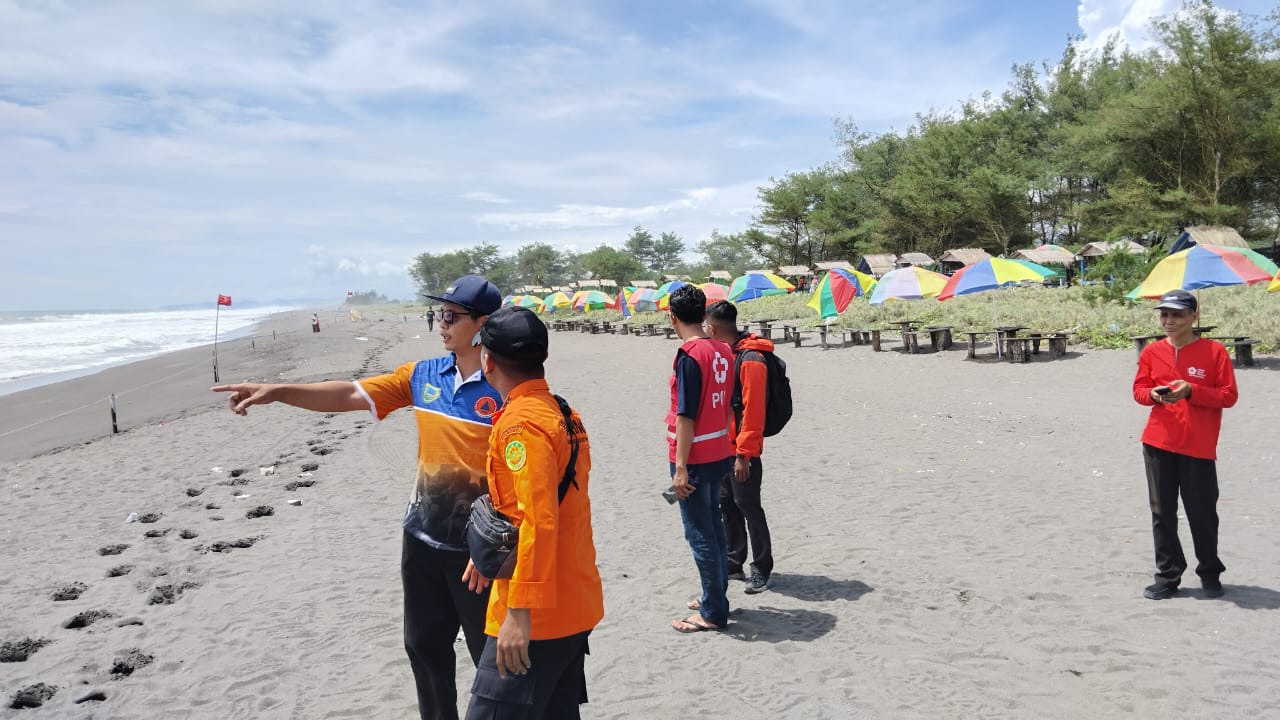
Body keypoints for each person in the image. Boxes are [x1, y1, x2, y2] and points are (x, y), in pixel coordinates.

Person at [212, 275, 504, 720]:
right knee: (424, 648)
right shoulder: (423, 375)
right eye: (439, 313)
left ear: (483, 324)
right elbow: (352, 392)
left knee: (490, 657)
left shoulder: (506, 387)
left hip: (475, 551)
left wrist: (492, 551)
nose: (440, 323)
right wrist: (279, 392)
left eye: (451, 315)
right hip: (421, 540)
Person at [464, 306, 604, 719]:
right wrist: (487, 552)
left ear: (488, 361)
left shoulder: (521, 425)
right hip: (574, 596)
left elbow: (539, 518)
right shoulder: (561, 412)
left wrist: (519, 615)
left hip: (540, 615)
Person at [1132, 289, 1238, 600]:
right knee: (1162, 513)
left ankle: (1209, 572)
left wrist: (1193, 391)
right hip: (1158, 442)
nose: (1169, 320)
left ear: (1194, 316)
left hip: (1198, 446)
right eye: (1165, 314)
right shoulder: (1152, 352)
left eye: (1177, 314)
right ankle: (1168, 576)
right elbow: (1139, 390)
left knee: (1202, 512)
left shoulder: (1215, 351)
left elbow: (1228, 396)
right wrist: (1153, 395)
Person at [664, 285, 735, 633]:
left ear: (673, 317)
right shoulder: (723, 349)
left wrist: (680, 467)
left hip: (695, 456)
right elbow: (724, 406)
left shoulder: (690, 355)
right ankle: (715, 596)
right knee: (714, 527)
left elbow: (685, 415)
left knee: (701, 534)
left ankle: (713, 611)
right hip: (720, 450)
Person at [704, 300, 774, 594]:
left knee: (748, 507)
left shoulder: (751, 360)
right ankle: (734, 562)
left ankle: (761, 568)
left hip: (743, 451)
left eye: (707, 326)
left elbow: (754, 412)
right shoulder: (726, 354)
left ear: (715, 327)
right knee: (727, 505)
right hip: (724, 448)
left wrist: (744, 455)